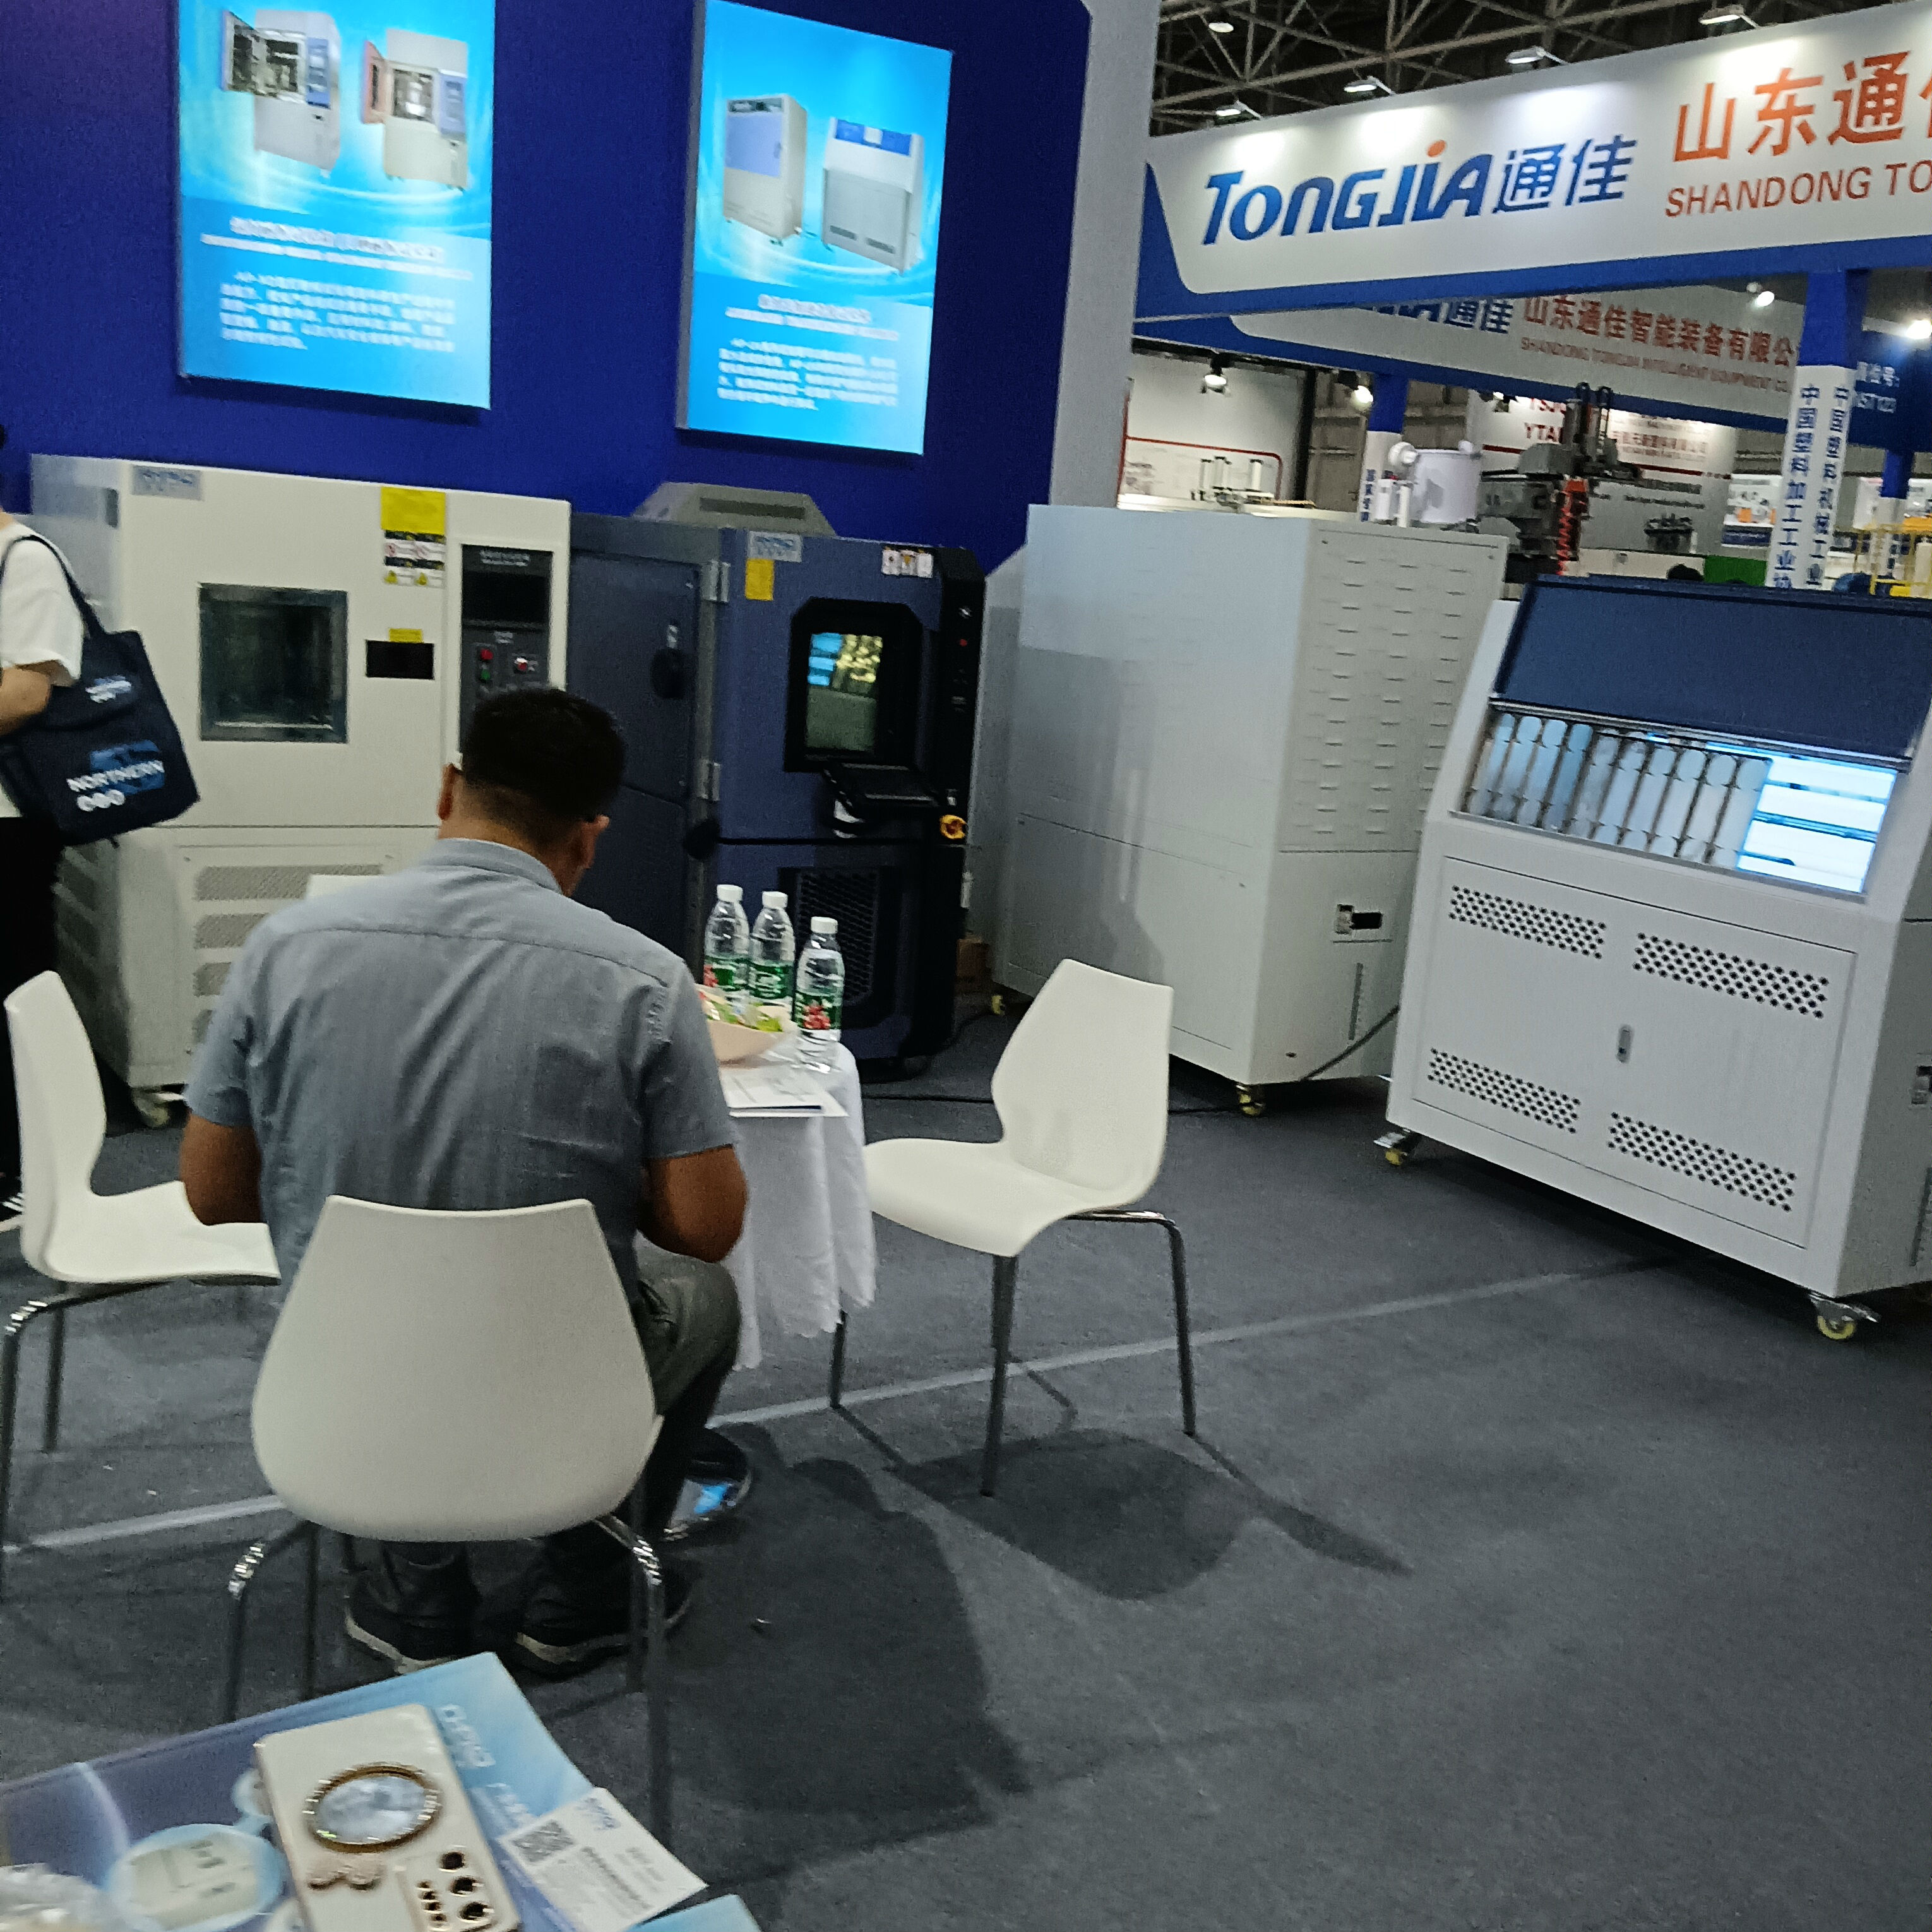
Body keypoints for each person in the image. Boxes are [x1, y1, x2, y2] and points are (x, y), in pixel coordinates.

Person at [179, 688, 748, 1677]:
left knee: (382, 1311)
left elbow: (213, 1192)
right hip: (551, 1384)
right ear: (589, 838)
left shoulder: (283, 947)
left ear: (448, 788)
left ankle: (415, 1598)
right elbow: (705, 1230)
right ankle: (585, 1594)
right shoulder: (646, 982)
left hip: (344, 1375)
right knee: (705, 1299)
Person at [0, 488, 86, 1228]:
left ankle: (23, 1169)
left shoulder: (24, 561)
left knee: (14, 994)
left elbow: (26, 693)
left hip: (12, 824)